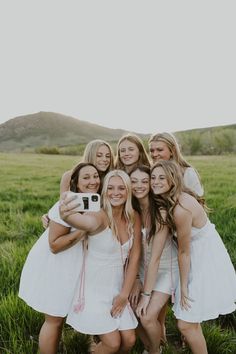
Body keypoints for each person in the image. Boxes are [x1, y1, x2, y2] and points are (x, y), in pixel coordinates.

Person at [150, 160, 236, 354]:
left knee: (186, 324)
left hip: (203, 257)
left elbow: (184, 251)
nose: (155, 182)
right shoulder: (171, 198)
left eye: (162, 178)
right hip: (198, 252)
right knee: (189, 323)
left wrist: (184, 286)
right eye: (153, 177)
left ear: (173, 180)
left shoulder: (181, 208)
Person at [18, 163, 101, 354]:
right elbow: (54, 245)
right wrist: (82, 231)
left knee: (61, 315)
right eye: (86, 177)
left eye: (95, 176)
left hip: (74, 266)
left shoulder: (93, 203)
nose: (92, 181)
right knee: (54, 318)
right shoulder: (67, 204)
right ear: (76, 183)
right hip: (57, 265)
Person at [59, 169, 142, 354]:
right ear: (104, 192)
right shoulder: (99, 216)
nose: (116, 192)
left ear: (128, 191)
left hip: (117, 288)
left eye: (121, 188)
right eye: (110, 188)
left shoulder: (133, 217)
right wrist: (65, 214)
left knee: (129, 340)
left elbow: (135, 257)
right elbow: (85, 222)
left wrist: (123, 295)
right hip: (93, 290)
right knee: (112, 343)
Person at [129, 165, 179, 354]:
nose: (139, 186)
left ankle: (155, 351)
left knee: (147, 316)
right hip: (143, 268)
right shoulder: (131, 209)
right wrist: (135, 280)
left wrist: (146, 295)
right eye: (134, 181)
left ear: (151, 183)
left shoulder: (161, 212)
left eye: (144, 181)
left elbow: (156, 258)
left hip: (165, 268)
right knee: (132, 309)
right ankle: (150, 345)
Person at [42, 139, 114, 228]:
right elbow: (63, 205)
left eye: (108, 156)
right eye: (99, 155)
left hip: (98, 225)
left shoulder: (110, 179)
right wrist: (51, 215)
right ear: (90, 155)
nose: (105, 159)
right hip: (72, 223)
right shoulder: (69, 176)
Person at [148, 132, 204, 196]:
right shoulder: (149, 171)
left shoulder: (187, 173)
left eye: (160, 150)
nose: (154, 154)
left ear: (172, 150)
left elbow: (198, 202)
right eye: (152, 151)